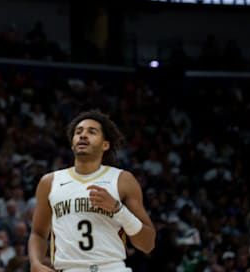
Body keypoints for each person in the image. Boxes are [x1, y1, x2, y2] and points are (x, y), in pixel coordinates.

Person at [28, 109, 155, 272]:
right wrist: (35, 263)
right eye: (78, 132)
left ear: (105, 145)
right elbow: (38, 233)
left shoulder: (122, 180)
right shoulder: (50, 182)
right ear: (72, 143)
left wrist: (118, 210)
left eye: (92, 132)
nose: (82, 135)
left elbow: (147, 244)